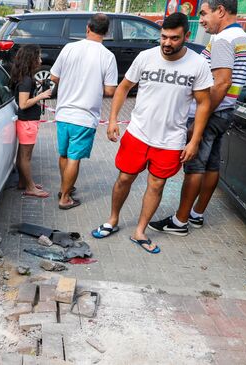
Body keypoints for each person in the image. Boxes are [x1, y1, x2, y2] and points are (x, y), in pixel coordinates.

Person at [91, 13, 213, 254]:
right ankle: (113, 220)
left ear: (186, 36)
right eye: (164, 37)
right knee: (124, 179)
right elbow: (124, 87)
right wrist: (113, 119)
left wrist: (195, 140)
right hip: (138, 133)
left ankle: (140, 231)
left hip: (171, 140)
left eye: (174, 38)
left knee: (156, 185)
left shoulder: (198, 64)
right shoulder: (145, 57)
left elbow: (204, 103)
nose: (167, 43)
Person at [149, 0, 246, 236]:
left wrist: (200, 119)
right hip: (226, 111)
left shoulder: (223, 40)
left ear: (221, 11)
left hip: (212, 112)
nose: (202, 19)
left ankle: (180, 221)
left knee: (195, 167)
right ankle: (196, 214)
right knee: (211, 165)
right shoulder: (243, 39)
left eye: (205, 13)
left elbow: (222, 82)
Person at [50, 13, 118, 210]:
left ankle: (65, 188)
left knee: (63, 154)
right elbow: (111, 90)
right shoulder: (107, 56)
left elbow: (54, 77)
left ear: (88, 28)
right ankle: (65, 198)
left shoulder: (69, 48)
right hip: (85, 116)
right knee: (74, 158)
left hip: (63, 113)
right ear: (106, 32)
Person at [11, 45, 52, 198]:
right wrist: (41, 96)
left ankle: (23, 182)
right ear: (31, 59)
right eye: (38, 57)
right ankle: (30, 187)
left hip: (26, 122)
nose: (41, 61)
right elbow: (23, 104)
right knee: (25, 157)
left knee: (22, 155)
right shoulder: (26, 80)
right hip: (27, 122)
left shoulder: (25, 78)